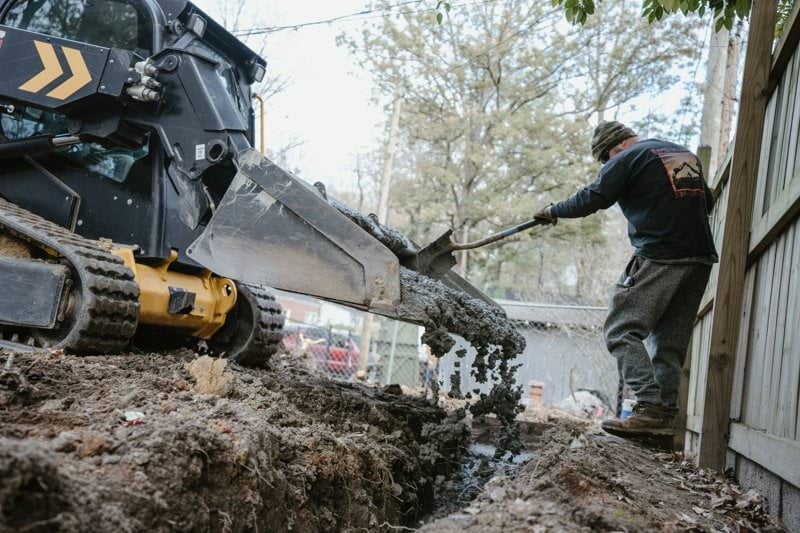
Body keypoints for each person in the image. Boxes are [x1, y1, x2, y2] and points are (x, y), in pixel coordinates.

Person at [533, 121, 717, 438]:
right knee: (669, 345)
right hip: (699, 259)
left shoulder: (625, 158)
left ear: (613, 149)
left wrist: (553, 210)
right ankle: (660, 421)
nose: (608, 166)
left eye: (606, 161)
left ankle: (650, 406)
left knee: (621, 329)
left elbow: (593, 197)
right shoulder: (679, 153)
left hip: (661, 255)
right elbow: (708, 202)